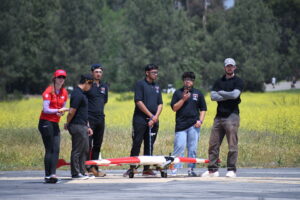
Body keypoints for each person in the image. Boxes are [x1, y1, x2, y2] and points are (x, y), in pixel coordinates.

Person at [201, 58, 244, 178]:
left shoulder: (238, 81)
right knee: (213, 144)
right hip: (218, 116)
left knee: (232, 144)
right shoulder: (218, 81)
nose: (229, 68)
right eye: (227, 66)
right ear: (224, 67)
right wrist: (228, 95)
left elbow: (235, 95)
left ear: (235, 67)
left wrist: (222, 93)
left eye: (231, 66)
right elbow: (213, 97)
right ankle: (213, 170)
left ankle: (231, 169)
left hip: (232, 115)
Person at [123, 64, 163, 177]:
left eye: (156, 72)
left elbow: (160, 103)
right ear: (147, 73)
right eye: (153, 72)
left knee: (149, 145)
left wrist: (155, 117)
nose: (156, 74)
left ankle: (147, 168)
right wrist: (151, 116)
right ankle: (132, 168)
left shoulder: (157, 87)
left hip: (154, 121)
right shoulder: (140, 84)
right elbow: (138, 102)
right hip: (140, 120)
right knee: (137, 143)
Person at [170, 72, 207, 177]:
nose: (188, 81)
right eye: (186, 79)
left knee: (192, 149)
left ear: (193, 81)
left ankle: (191, 169)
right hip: (181, 126)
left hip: (194, 126)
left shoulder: (198, 93)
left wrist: (200, 121)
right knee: (179, 147)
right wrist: (183, 99)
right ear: (183, 81)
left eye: (190, 79)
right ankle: (175, 170)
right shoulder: (177, 93)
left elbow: (203, 109)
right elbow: (174, 108)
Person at [38, 69, 69, 183]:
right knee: (49, 149)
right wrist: (59, 110)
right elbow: (46, 109)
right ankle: (47, 175)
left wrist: (61, 112)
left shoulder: (64, 92)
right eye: (59, 77)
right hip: (45, 122)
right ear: (54, 78)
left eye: (63, 77)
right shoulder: (48, 91)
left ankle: (53, 174)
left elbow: (62, 109)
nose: (61, 79)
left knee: (56, 148)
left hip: (54, 122)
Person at [65, 74, 94, 179]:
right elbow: (72, 111)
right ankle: (75, 173)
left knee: (85, 149)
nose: (90, 87)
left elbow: (83, 113)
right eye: (90, 84)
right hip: (76, 125)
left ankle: (82, 171)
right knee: (77, 149)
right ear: (86, 82)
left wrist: (88, 126)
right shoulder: (77, 94)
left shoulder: (83, 94)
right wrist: (67, 123)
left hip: (83, 125)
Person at [85, 64, 108, 177]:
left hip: (100, 118)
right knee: (87, 144)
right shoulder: (87, 85)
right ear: (92, 72)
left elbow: (104, 101)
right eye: (96, 72)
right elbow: (82, 103)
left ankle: (94, 168)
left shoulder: (104, 86)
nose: (98, 74)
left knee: (97, 145)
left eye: (100, 72)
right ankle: (85, 167)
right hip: (89, 118)